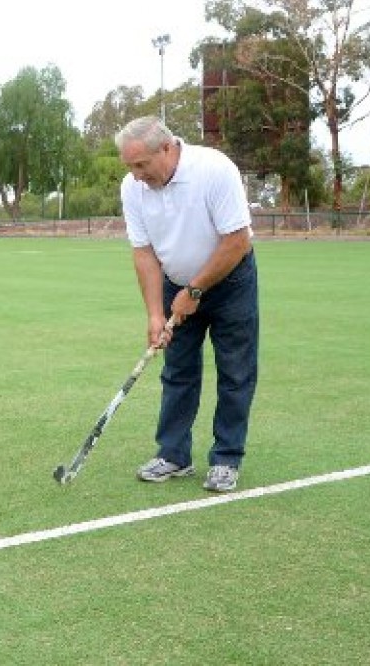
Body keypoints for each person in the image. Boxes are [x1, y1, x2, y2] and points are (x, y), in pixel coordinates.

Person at [117, 116, 259, 493]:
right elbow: (144, 253)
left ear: (166, 148)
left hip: (231, 281)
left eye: (141, 165)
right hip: (174, 282)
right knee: (177, 370)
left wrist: (195, 291)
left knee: (235, 371)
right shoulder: (133, 188)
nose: (135, 174)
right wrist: (154, 313)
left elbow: (236, 240)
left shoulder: (214, 170)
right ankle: (174, 455)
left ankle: (227, 458)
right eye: (129, 166)